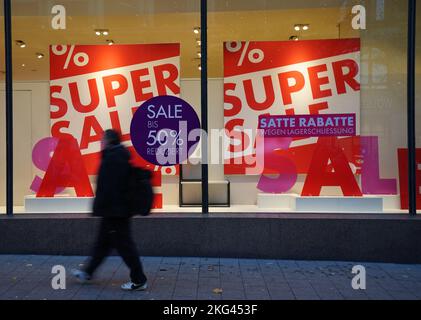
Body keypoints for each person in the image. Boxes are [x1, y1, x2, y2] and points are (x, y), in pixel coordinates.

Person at [72, 129, 148, 291]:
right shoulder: (116, 155)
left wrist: (102, 207)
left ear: (108, 141)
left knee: (125, 246)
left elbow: (110, 188)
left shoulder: (113, 158)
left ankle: (139, 279)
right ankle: (87, 272)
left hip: (116, 212)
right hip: (114, 211)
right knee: (102, 244)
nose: (100, 142)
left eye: (102, 139)